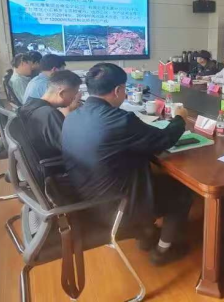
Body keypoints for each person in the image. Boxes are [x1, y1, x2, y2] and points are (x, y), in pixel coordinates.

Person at [62, 63, 194, 266]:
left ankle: (146, 234)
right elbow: (164, 139)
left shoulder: (72, 116)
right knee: (182, 191)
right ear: (118, 90)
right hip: (116, 206)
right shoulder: (119, 120)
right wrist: (180, 118)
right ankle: (163, 251)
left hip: (85, 197)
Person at [19, 70, 82, 161]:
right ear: (62, 93)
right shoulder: (49, 115)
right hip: (55, 162)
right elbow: (73, 149)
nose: (75, 98)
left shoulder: (29, 103)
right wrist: (69, 110)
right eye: (74, 94)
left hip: (37, 158)